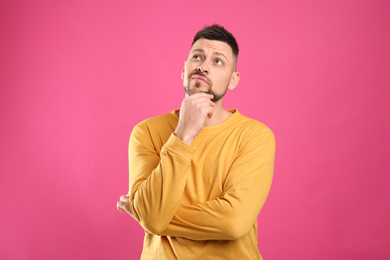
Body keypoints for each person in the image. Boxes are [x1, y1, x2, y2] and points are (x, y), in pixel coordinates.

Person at [117, 24, 275, 259]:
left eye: (218, 61)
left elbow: (234, 221)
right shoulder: (146, 132)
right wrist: (183, 133)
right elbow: (151, 217)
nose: (203, 66)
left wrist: (152, 217)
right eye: (197, 57)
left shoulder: (255, 136)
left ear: (233, 80)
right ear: (184, 70)